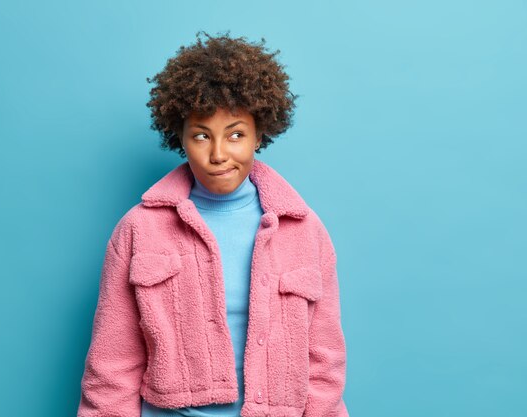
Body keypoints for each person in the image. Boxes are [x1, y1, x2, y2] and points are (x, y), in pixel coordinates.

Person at [77, 31, 349, 417]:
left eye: (235, 134)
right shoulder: (139, 229)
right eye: (201, 136)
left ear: (259, 135)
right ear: (181, 138)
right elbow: (112, 364)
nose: (218, 154)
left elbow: (325, 363)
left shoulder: (303, 230)